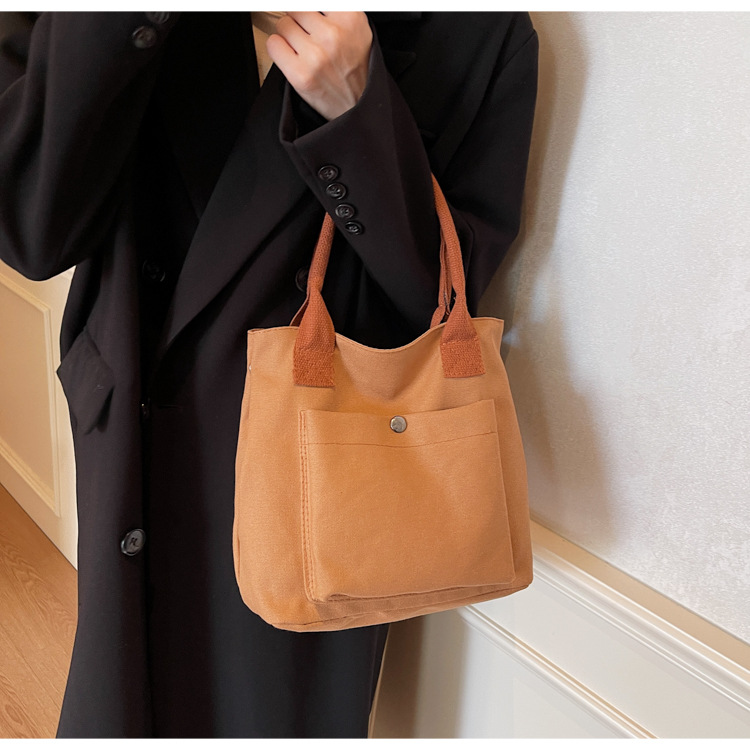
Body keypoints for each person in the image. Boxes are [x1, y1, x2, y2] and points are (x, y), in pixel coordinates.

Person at [0, 11, 538, 738]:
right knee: (120, 700)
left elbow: (445, 299)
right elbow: (29, 227)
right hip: (132, 427)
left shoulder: (474, 30)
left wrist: (357, 117)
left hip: (323, 478)